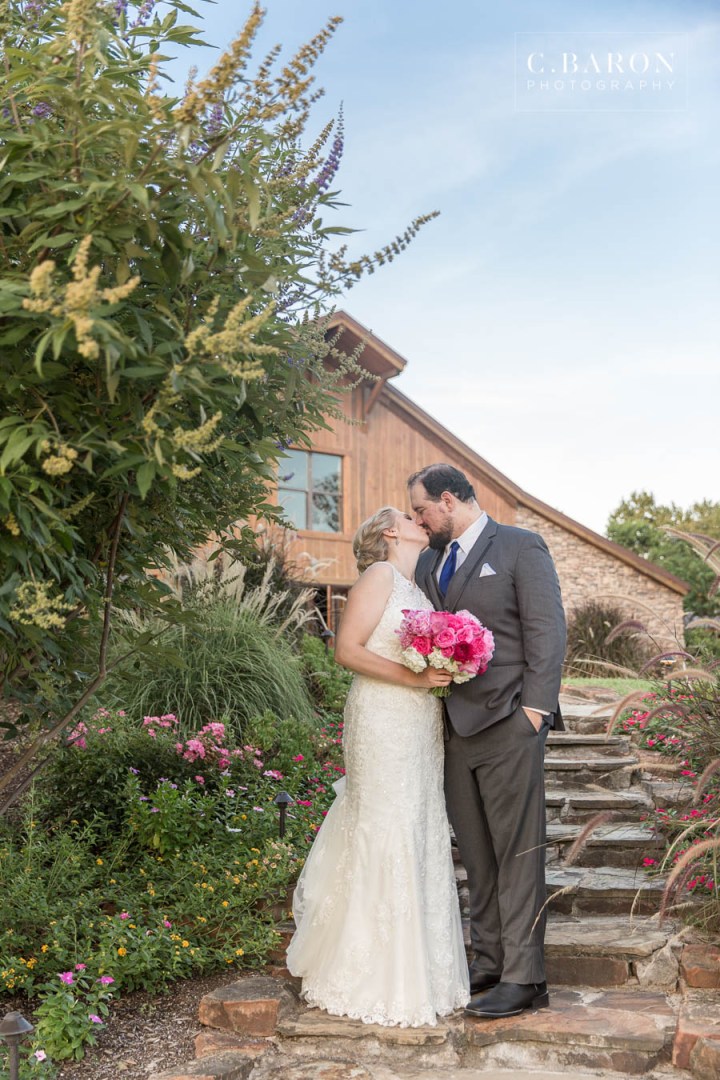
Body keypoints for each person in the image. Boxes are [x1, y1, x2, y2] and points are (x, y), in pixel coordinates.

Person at [286, 506, 470, 1027]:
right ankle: (372, 974)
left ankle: (423, 974)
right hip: (384, 717)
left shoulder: (419, 586)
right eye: (408, 517)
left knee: (418, 825)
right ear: (391, 533)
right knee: (387, 824)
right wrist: (414, 679)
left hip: (418, 723)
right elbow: (347, 650)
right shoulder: (379, 574)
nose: (420, 521)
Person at [408, 463, 567, 1020]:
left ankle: (526, 979)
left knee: (518, 855)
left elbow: (547, 629)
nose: (419, 522)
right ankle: (490, 962)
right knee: (476, 855)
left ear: (448, 500)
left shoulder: (521, 546)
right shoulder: (430, 561)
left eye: (422, 511)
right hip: (451, 730)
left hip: (508, 725)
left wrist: (535, 712)